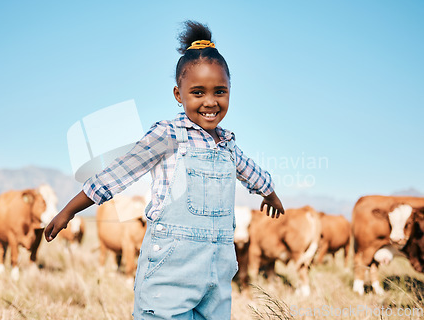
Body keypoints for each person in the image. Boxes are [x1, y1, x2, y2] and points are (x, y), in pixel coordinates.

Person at [45, 20, 284, 320]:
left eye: (219, 92)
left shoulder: (228, 144)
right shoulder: (168, 135)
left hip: (217, 275)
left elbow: (252, 172)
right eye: (197, 92)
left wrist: (270, 194)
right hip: (170, 272)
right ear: (178, 94)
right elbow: (118, 173)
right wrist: (68, 210)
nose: (210, 102)